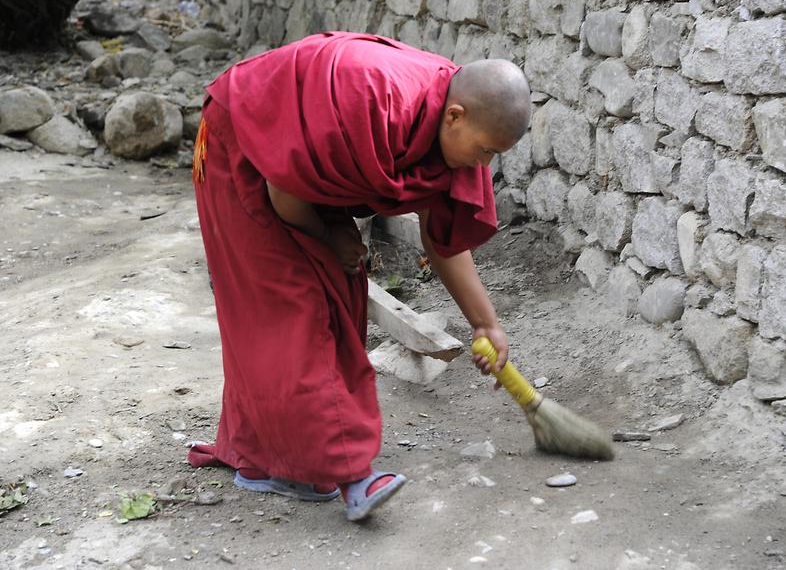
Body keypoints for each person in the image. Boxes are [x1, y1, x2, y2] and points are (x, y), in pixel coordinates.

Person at [187, 31, 531, 521]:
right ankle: (351, 475)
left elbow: (443, 237)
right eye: (485, 152)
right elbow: (285, 194)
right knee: (295, 303)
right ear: (455, 116)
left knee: (339, 289)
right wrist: (334, 236)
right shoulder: (373, 102)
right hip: (240, 142)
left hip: (288, 166)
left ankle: (264, 462)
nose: (485, 165)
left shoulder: (459, 125)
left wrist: (485, 323)